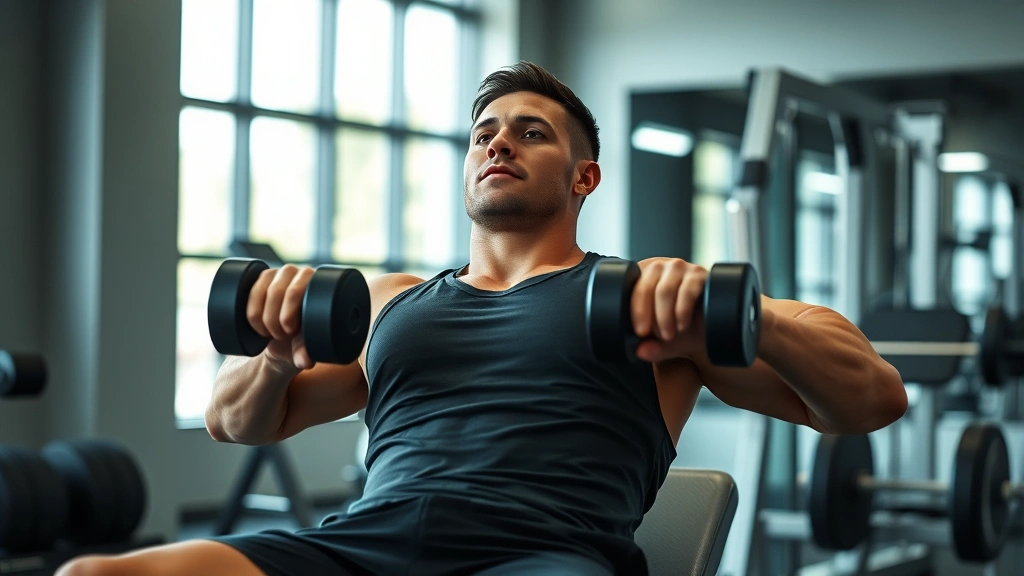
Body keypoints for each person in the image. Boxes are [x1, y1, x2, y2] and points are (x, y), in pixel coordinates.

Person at [57, 61, 906, 576]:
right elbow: (233, 422)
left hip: (542, 556)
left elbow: (871, 400)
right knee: (93, 572)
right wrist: (276, 353)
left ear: (584, 178)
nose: (497, 144)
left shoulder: (647, 301)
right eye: (484, 134)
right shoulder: (389, 301)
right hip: (366, 545)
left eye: (531, 133)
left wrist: (748, 312)